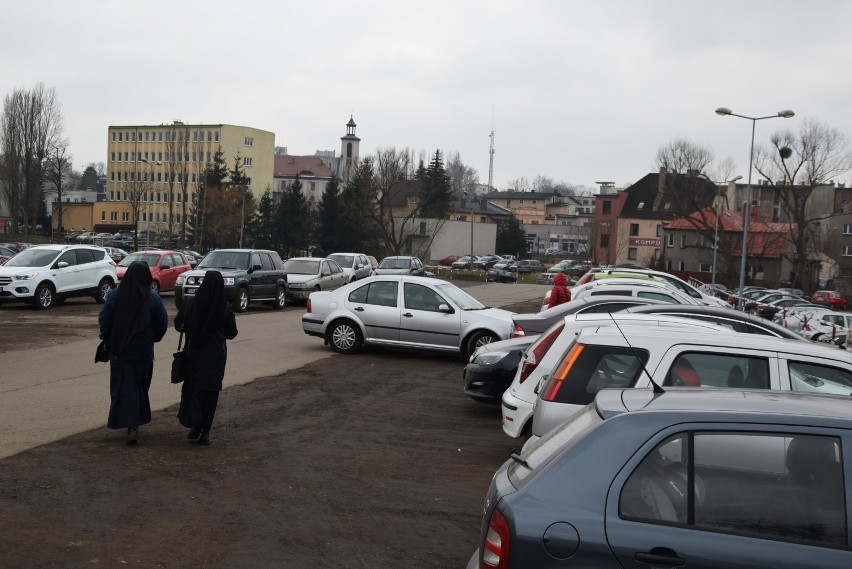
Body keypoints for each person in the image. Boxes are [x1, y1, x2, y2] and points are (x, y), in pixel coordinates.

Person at [98, 261, 168, 445]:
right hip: (143, 352)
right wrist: (153, 338)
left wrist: (108, 337)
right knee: (139, 388)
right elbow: (162, 324)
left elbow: (104, 319)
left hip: (120, 351)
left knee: (123, 388)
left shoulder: (115, 295)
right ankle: (134, 424)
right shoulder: (153, 298)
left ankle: (128, 423)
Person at [174, 270, 238, 445]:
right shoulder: (224, 307)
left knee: (194, 390)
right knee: (211, 394)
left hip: (194, 354)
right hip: (215, 358)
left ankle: (195, 425)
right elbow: (232, 333)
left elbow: (178, 325)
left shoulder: (190, 303)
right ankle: (206, 433)